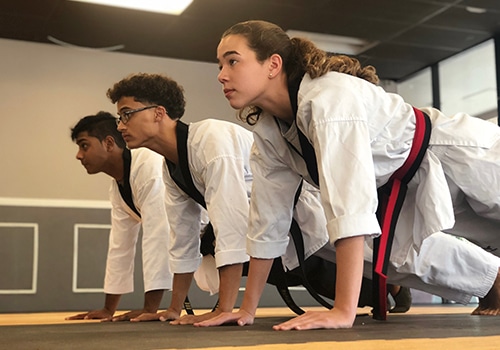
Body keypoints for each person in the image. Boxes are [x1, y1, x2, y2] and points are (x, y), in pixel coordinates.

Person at [197, 20, 500, 330]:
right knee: (399, 258)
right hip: (413, 182)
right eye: (220, 64)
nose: (222, 75)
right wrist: (246, 311)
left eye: (233, 61)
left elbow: (349, 203)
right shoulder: (270, 133)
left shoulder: (328, 98)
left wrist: (344, 311)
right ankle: (494, 283)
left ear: (273, 64)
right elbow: (267, 222)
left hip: (463, 154)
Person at [106, 73, 378, 324]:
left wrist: (224, 311)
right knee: (220, 246)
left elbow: (230, 225)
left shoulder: (210, 141)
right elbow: (182, 237)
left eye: (127, 114)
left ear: (158, 113)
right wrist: (173, 309)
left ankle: (392, 288)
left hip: (298, 215)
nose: (120, 126)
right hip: (265, 229)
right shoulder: (171, 166)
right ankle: (387, 289)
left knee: (364, 272)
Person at [66, 112, 172, 322]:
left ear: (108, 143)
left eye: (84, 146)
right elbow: (120, 246)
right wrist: (108, 309)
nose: (79, 155)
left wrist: (149, 309)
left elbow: (158, 238)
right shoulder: (119, 185)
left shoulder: (148, 166)